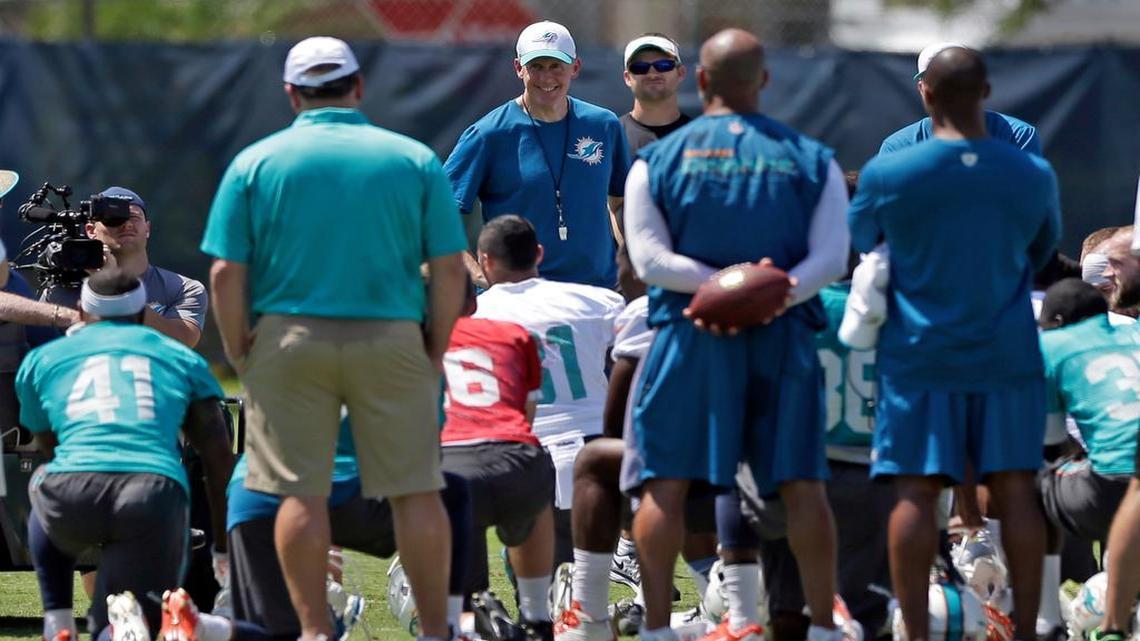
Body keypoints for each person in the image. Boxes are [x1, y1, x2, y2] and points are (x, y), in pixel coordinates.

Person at [200, 36, 468, 641]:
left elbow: (224, 272)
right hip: (393, 337)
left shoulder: (255, 163)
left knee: (300, 493)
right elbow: (449, 269)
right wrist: (433, 342)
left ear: (292, 94)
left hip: (287, 339)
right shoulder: (411, 159)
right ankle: (435, 632)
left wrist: (240, 345)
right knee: (416, 492)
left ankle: (316, 633)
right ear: (359, 86)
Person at [624, 28, 850, 641]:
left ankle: (656, 628)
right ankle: (824, 626)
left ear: (701, 81)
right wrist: (767, 293)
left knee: (665, 484)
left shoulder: (657, 160)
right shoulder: (813, 157)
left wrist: (720, 288)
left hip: (689, 335)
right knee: (803, 485)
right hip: (782, 339)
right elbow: (831, 259)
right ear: (765, 82)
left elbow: (647, 259)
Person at [848, 47, 1061, 641]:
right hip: (1006, 345)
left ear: (926, 93)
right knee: (1017, 486)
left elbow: (866, 239)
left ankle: (915, 632)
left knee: (915, 489)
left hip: (919, 351)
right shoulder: (1028, 170)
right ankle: (1025, 627)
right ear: (986, 90)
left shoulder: (891, 169)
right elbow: (1042, 250)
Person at [17, 268, 234, 641]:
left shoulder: (45, 359)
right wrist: (221, 547)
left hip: (71, 491)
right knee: (136, 622)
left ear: (82, 311)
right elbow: (217, 460)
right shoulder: (179, 358)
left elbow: (49, 445)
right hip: (151, 493)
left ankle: (57, 617)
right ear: (140, 314)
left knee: (43, 481)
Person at [158, 418, 475, 641]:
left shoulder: (281, 348)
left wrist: (221, 551)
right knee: (454, 493)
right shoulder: (388, 357)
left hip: (248, 488)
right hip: (327, 488)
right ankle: (448, 627)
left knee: (281, 633)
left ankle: (207, 628)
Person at [471, 216, 625, 593]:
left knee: (538, 581)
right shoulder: (597, 300)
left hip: (525, 460)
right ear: (539, 253)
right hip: (601, 457)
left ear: (485, 261)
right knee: (587, 589)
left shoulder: (476, 315)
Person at [444, 21, 632, 290]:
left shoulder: (603, 124)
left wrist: (632, 265)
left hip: (597, 294)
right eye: (536, 66)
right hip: (520, 299)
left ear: (575, 68)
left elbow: (621, 203)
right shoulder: (488, 134)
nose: (546, 78)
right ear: (519, 68)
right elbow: (438, 214)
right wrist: (478, 276)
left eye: (556, 66)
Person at [440, 278, 555, 640]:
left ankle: (467, 620)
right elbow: (526, 414)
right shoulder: (513, 334)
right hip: (517, 456)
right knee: (532, 491)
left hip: (449, 465)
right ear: (473, 304)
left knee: (431, 512)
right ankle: (537, 616)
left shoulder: (405, 340)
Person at [1034, 279, 1140, 639]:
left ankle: (1046, 618)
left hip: (1113, 487)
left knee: (1031, 479)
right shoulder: (1134, 331)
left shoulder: (1051, 344)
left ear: (1058, 322)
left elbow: (1048, 445)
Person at [84, 186, 207, 347]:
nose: (126, 224)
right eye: (114, 218)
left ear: (147, 228)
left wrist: (113, 284)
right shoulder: (68, 283)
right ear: (91, 230)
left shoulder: (182, 289)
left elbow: (181, 342)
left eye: (134, 217)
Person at [878, 42, 1041, 156]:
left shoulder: (1018, 135)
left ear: (982, 87)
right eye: (939, 81)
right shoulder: (897, 146)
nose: (952, 89)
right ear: (923, 89)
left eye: (961, 79)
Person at [620, 33, 690, 155]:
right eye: (640, 67)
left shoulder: (701, 138)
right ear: (627, 78)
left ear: (681, 73)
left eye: (663, 65)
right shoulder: (612, 136)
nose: (652, 74)